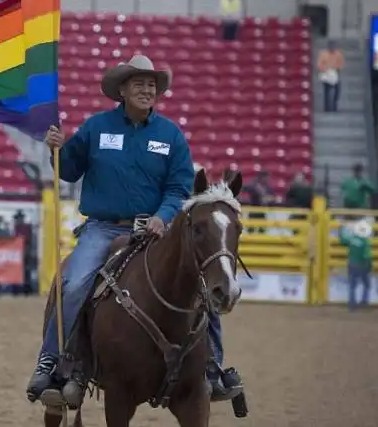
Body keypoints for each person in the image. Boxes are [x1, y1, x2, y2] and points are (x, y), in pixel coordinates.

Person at [26, 54, 242, 406]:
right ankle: (52, 360)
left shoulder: (170, 135)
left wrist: (164, 215)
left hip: (157, 229)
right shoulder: (97, 127)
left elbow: (179, 186)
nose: (147, 89)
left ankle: (213, 367)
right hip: (102, 229)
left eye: (151, 84)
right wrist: (56, 151)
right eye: (139, 83)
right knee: (75, 281)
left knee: (202, 280)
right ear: (122, 90)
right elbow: (68, 169)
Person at [339, 218, 373, 310]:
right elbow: (367, 256)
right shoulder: (365, 242)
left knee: (352, 285)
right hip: (362, 265)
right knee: (367, 284)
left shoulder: (351, 239)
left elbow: (342, 241)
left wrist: (341, 229)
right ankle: (364, 302)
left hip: (352, 264)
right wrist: (369, 266)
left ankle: (352, 304)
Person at [317, 40, 345, 112]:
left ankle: (334, 106)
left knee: (337, 91)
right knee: (327, 92)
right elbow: (319, 65)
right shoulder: (323, 54)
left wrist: (334, 68)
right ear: (328, 47)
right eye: (331, 46)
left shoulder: (338, 54)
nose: (332, 48)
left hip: (335, 73)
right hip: (326, 74)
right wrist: (326, 69)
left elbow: (341, 65)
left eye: (334, 46)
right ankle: (327, 108)